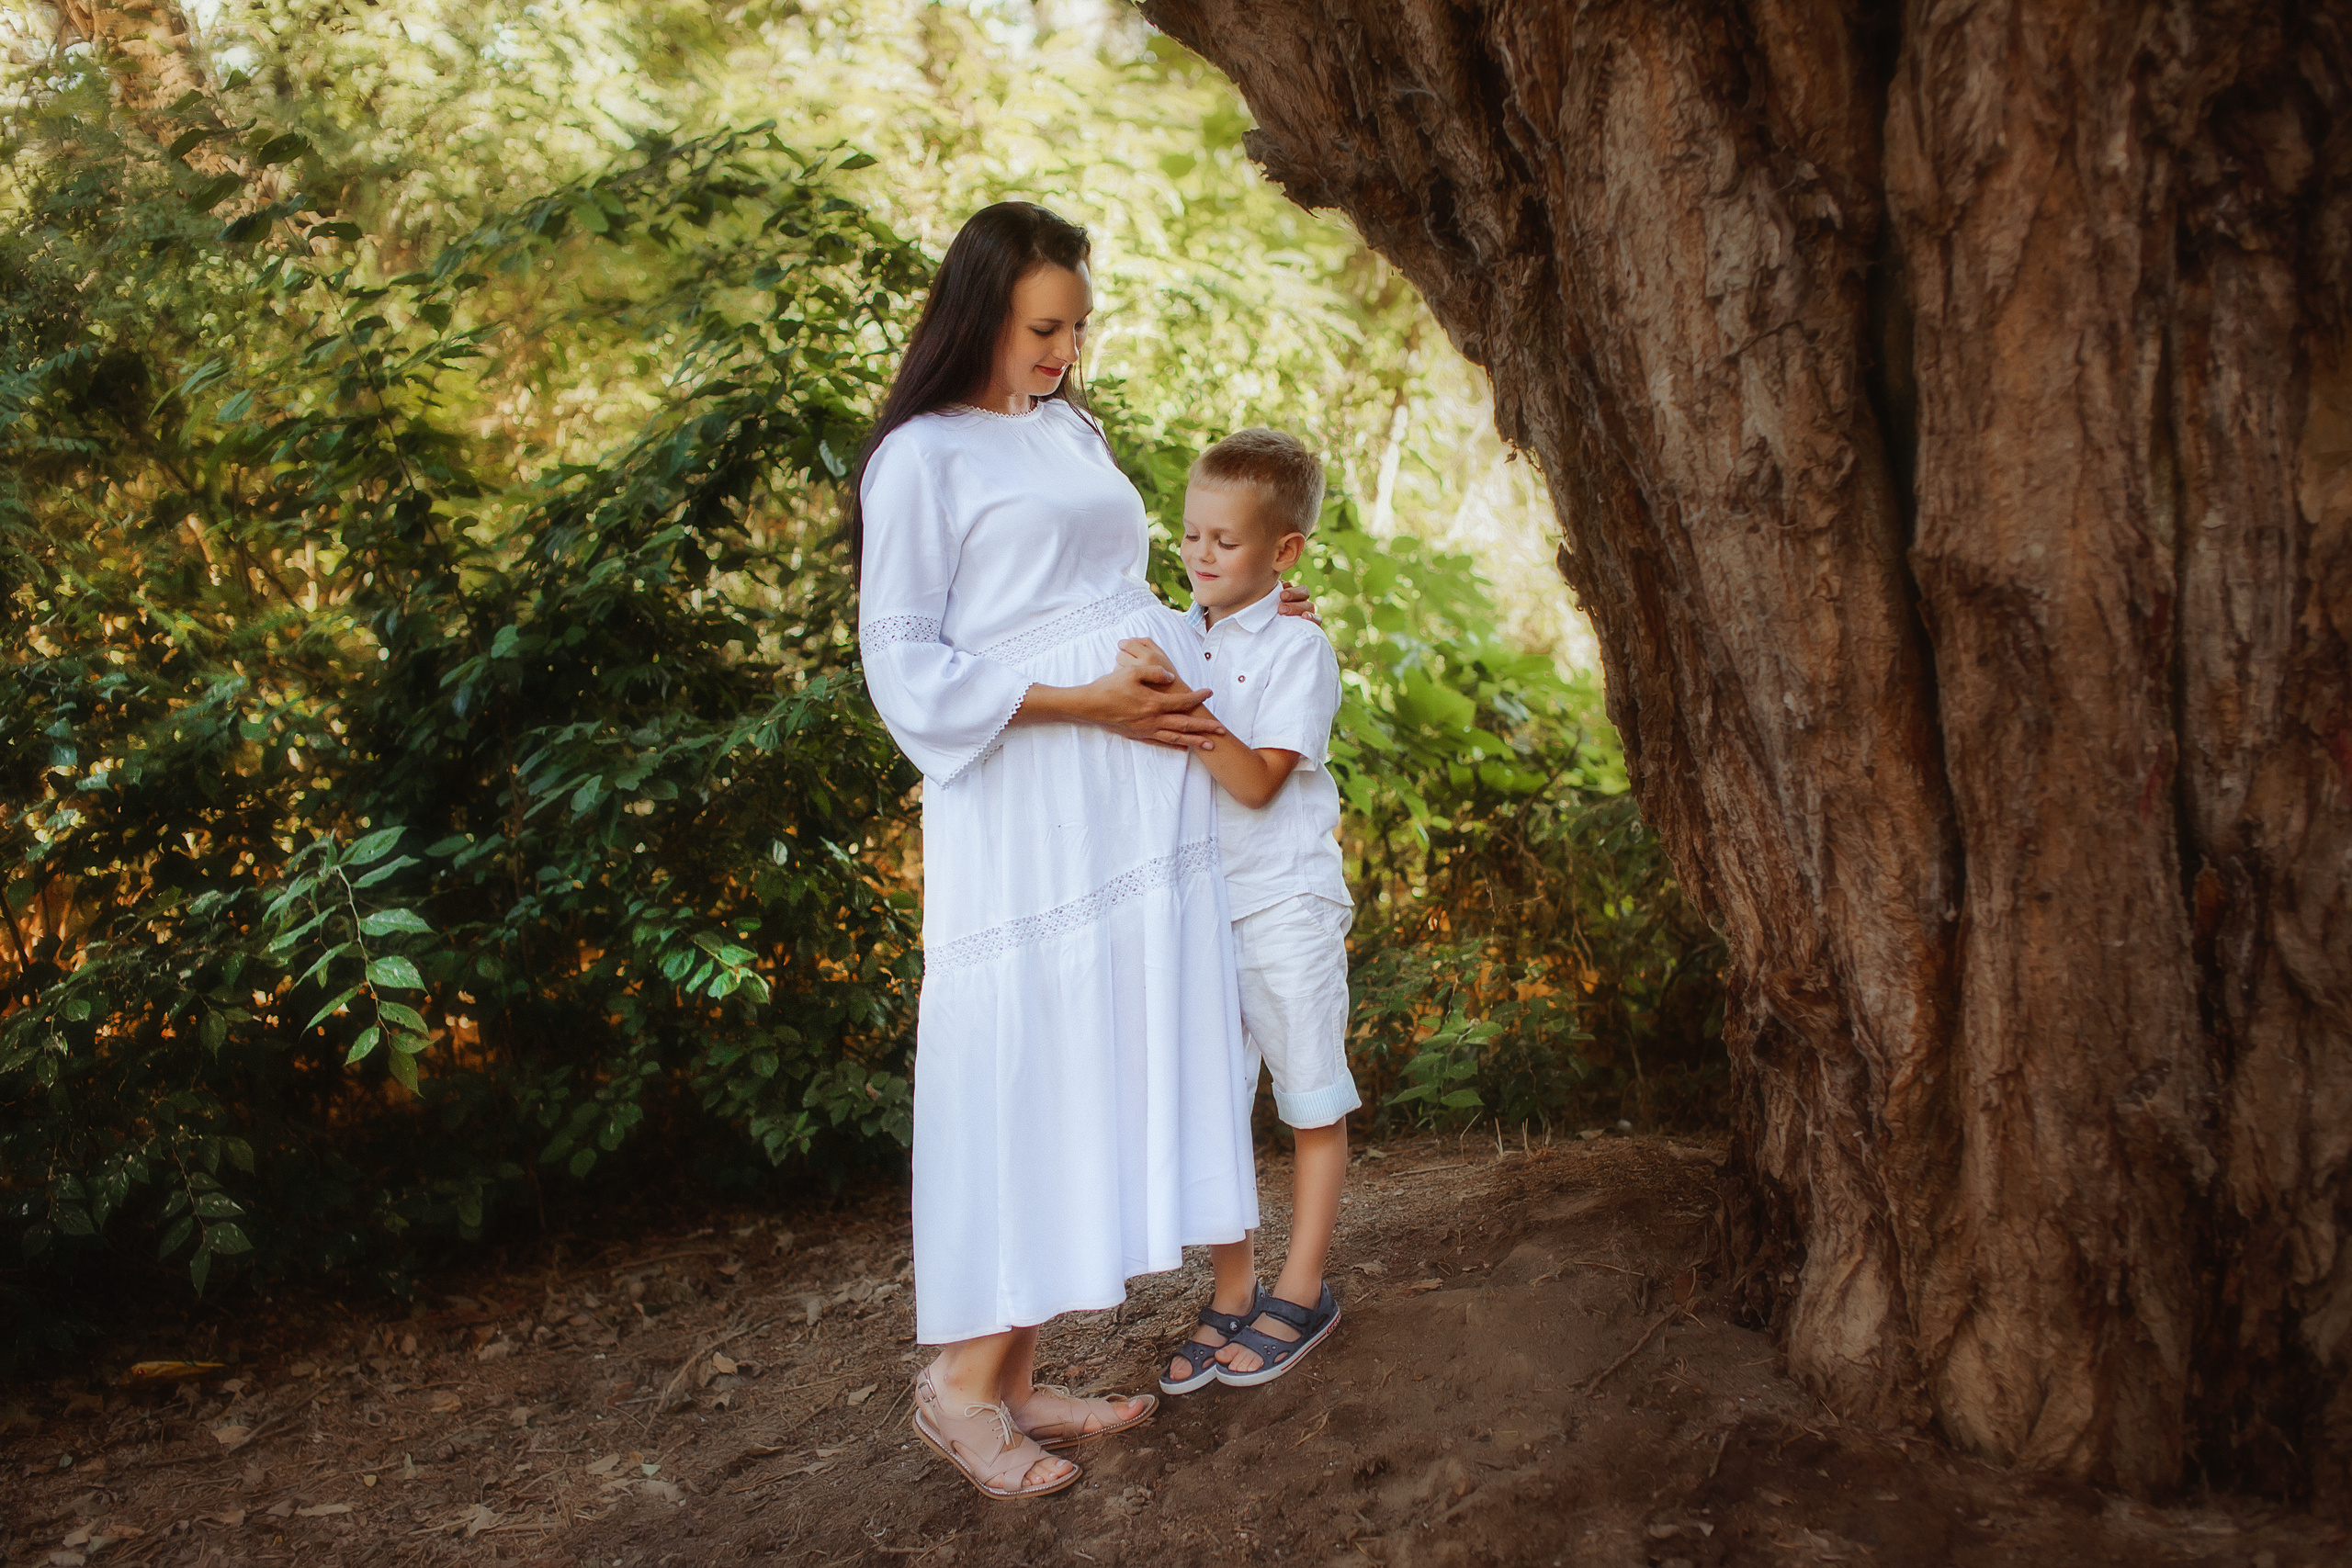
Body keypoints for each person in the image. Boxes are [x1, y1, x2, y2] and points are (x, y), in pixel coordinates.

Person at [852, 201, 1268, 1500]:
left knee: (1083, 1063)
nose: (1065, 348)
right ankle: (960, 1386)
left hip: (1120, 810)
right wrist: (1088, 703)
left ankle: (1019, 1368)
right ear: (980, 311)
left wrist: (1230, 618)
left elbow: (1112, 586)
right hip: (1024, 807)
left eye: (1080, 324)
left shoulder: (1067, 428)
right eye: (1044, 325)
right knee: (1025, 1060)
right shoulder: (922, 458)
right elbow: (904, 662)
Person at [1121, 429, 1358, 1394]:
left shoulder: (1299, 648)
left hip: (1283, 899)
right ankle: (1232, 1293)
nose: (1201, 554)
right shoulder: (1185, 634)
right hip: (1199, 909)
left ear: (1283, 552)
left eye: (1225, 540)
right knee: (1215, 1106)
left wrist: (1182, 705)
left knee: (1306, 1093)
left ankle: (1301, 1290)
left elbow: (1258, 782)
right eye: (1189, 535)